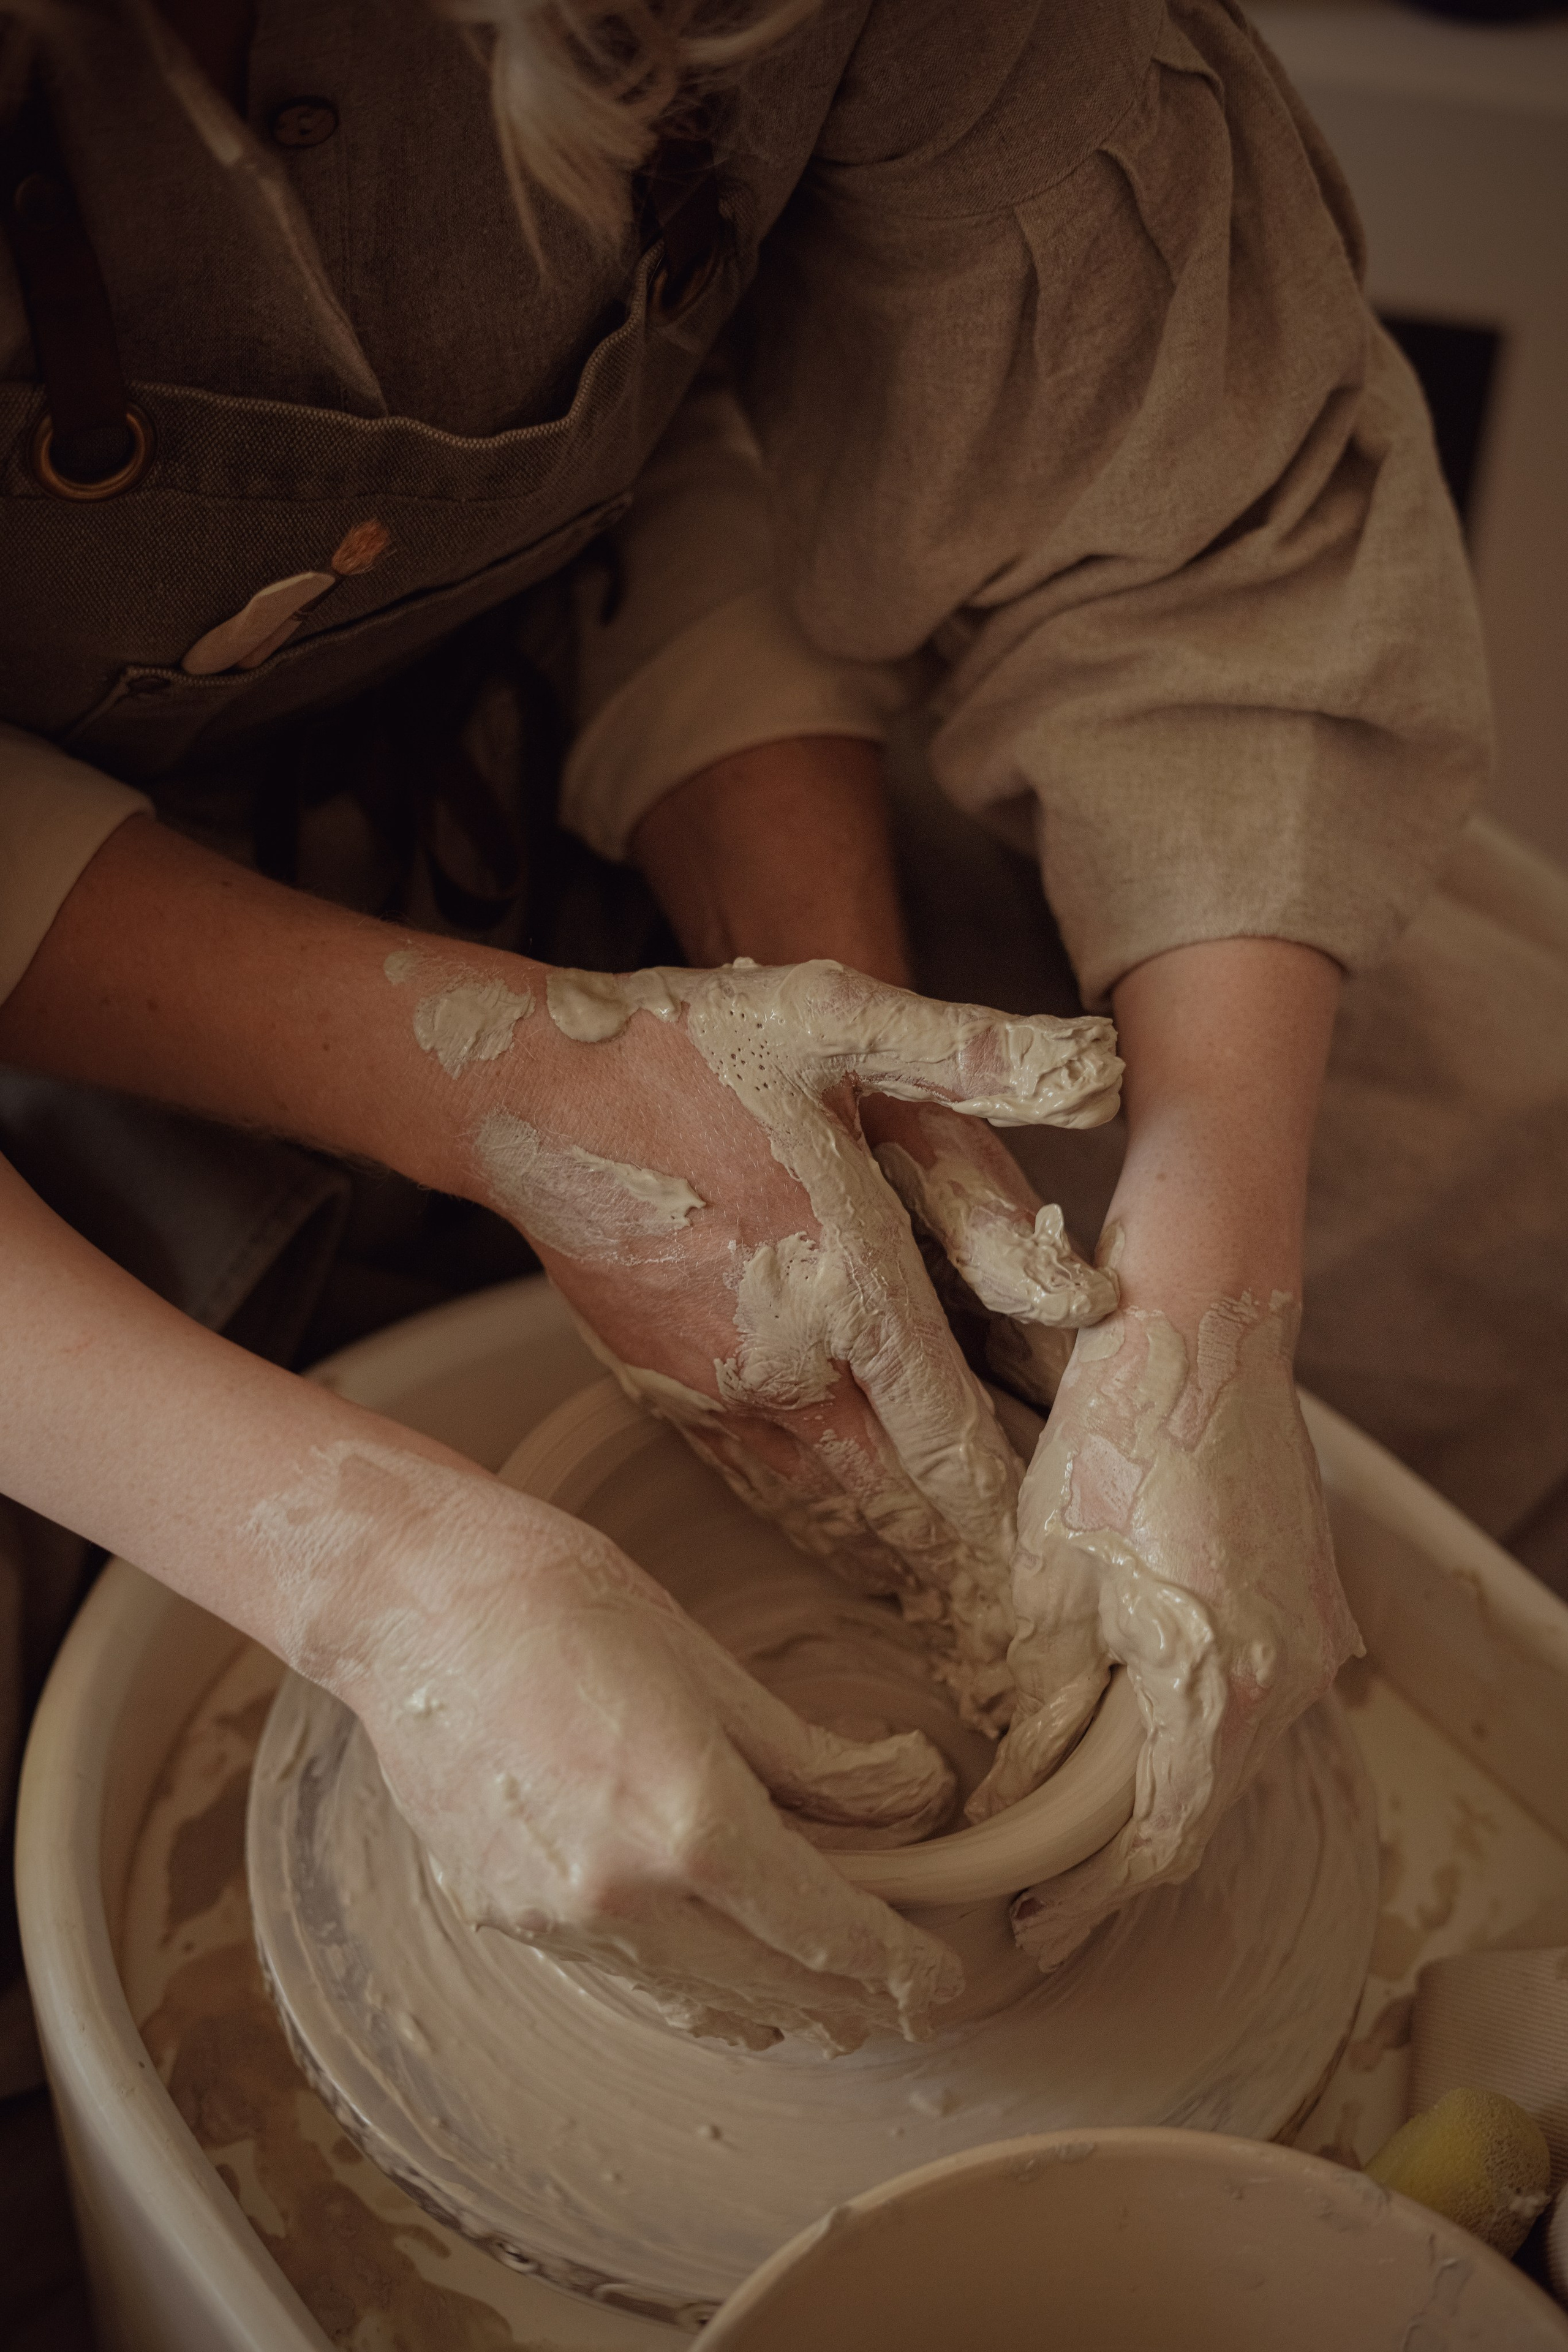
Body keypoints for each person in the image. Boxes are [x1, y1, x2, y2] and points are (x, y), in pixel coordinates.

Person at [1, 0, 1562, 2061]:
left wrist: (1192, 1298)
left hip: (575, 686)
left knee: (1498, 1178)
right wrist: (361, 1559)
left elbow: (1169, 514)